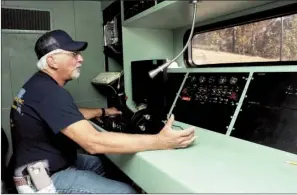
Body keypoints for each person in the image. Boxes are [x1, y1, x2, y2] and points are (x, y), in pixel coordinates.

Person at [9, 29, 196, 193]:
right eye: (73, 54)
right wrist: (160, 141)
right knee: (125, 192)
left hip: (36, 166)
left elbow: (65, 115)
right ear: (52, 61)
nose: (81, 58)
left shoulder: (38, 85)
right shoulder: (50, 93)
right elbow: (93, 143)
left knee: (103, 164)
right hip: (40, 179)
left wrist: (104, 111)